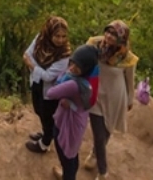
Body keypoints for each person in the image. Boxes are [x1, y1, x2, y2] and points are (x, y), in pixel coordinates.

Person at [84, 20, 139, 180]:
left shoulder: (127, 57)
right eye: (107, 32)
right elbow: (83, 62)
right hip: (95, 94)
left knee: (107, 130)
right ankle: (103, 172)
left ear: (122, 38)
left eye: (114, 34)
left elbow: (130, 80)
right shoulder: (94, 44)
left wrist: (130, 99)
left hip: (115, 96)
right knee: (99, 134)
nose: (108, 36)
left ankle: (95, 154)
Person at [45, 45, 99, 180]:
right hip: (77, 121)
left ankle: (68, 177)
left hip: (68, 124)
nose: (73, 67)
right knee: (72, 155)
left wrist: (65, 73)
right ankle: (68, 175)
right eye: (73, 62)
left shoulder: (73, 84)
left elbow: (50, 93)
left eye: (78, 65)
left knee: (66, 156)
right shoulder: (88, 80)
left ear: (85, 68)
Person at [23, 16, 72, 154]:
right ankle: (46, 134)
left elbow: (49, 76)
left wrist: (32, 65)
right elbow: (27, 53)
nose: (61, 40)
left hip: (51, 91)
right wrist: (38, 68)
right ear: (49, 33)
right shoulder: (41, 38)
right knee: (38, 110)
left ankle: (45, 144)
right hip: (37, 83)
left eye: (63, 36)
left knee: (47, 115)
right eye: (57, 36)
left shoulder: (64, 53)